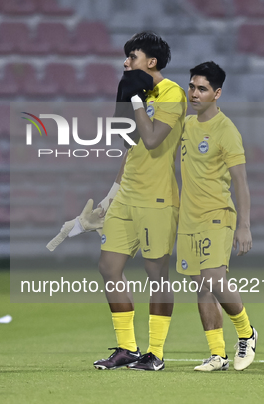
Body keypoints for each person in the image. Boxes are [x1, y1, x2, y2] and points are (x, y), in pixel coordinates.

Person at [92, 31, 187, 371]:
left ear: (151, 62)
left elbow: (152, 139)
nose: (125, 63)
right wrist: (110, 196)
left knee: (156, 273)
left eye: (131, 57)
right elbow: (131, 148)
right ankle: (127, 349)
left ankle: (156, 354)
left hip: (157, 198)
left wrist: (134, 100)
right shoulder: (140, 93)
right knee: (108, 267)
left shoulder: (172, 92)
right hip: (128, 195)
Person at [178, 61, 257, 371]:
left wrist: (244, 226)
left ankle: (247, 333)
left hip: (217, 215)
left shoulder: (226, 131)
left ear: (217, 93)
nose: (194, 93)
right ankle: (217, 355)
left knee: (213, 279)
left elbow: (241, 182)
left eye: (202, 89)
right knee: (202, 288)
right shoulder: (186, 125)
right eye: (192, 87)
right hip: (189, 219)